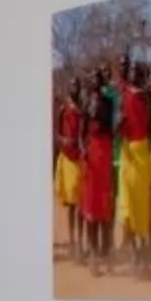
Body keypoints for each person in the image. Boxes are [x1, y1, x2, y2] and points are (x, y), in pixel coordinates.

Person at [113, 59, 151, 271]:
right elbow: (117, 127)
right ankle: (134, 252)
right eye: (131, 72)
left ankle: (142, 249)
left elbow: (149, 127)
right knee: (127, 203)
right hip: (128, 151)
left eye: (137, 72)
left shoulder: (146, 97)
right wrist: (119, 126)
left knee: (141, 204)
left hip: (143, 152)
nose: (133, 75)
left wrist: (148, 151)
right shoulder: (124, 96)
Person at [78, 70, 117, 273]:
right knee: (92, 207)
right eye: (92, 78)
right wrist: (84, 150)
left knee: (105, 206)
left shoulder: (109, 103)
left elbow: (110, 130)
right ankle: (93, 254)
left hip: (105, 152)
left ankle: (107, 252)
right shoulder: (85, 104)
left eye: (98, 78)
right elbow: (81, 133)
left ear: (102, 82)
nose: (95, 81)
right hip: (92, 154)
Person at [54, 80, 87, 259]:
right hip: (68, 158)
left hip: (80, 158)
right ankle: (73, 242)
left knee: (80, 204)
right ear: (69, 88)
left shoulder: (83, 108)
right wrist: (64, 141)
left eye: (77, 85)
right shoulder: (63, 109)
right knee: (72, 205)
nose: (75, 88)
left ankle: (81, 242)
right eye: (73, 85)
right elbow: (57, 133)